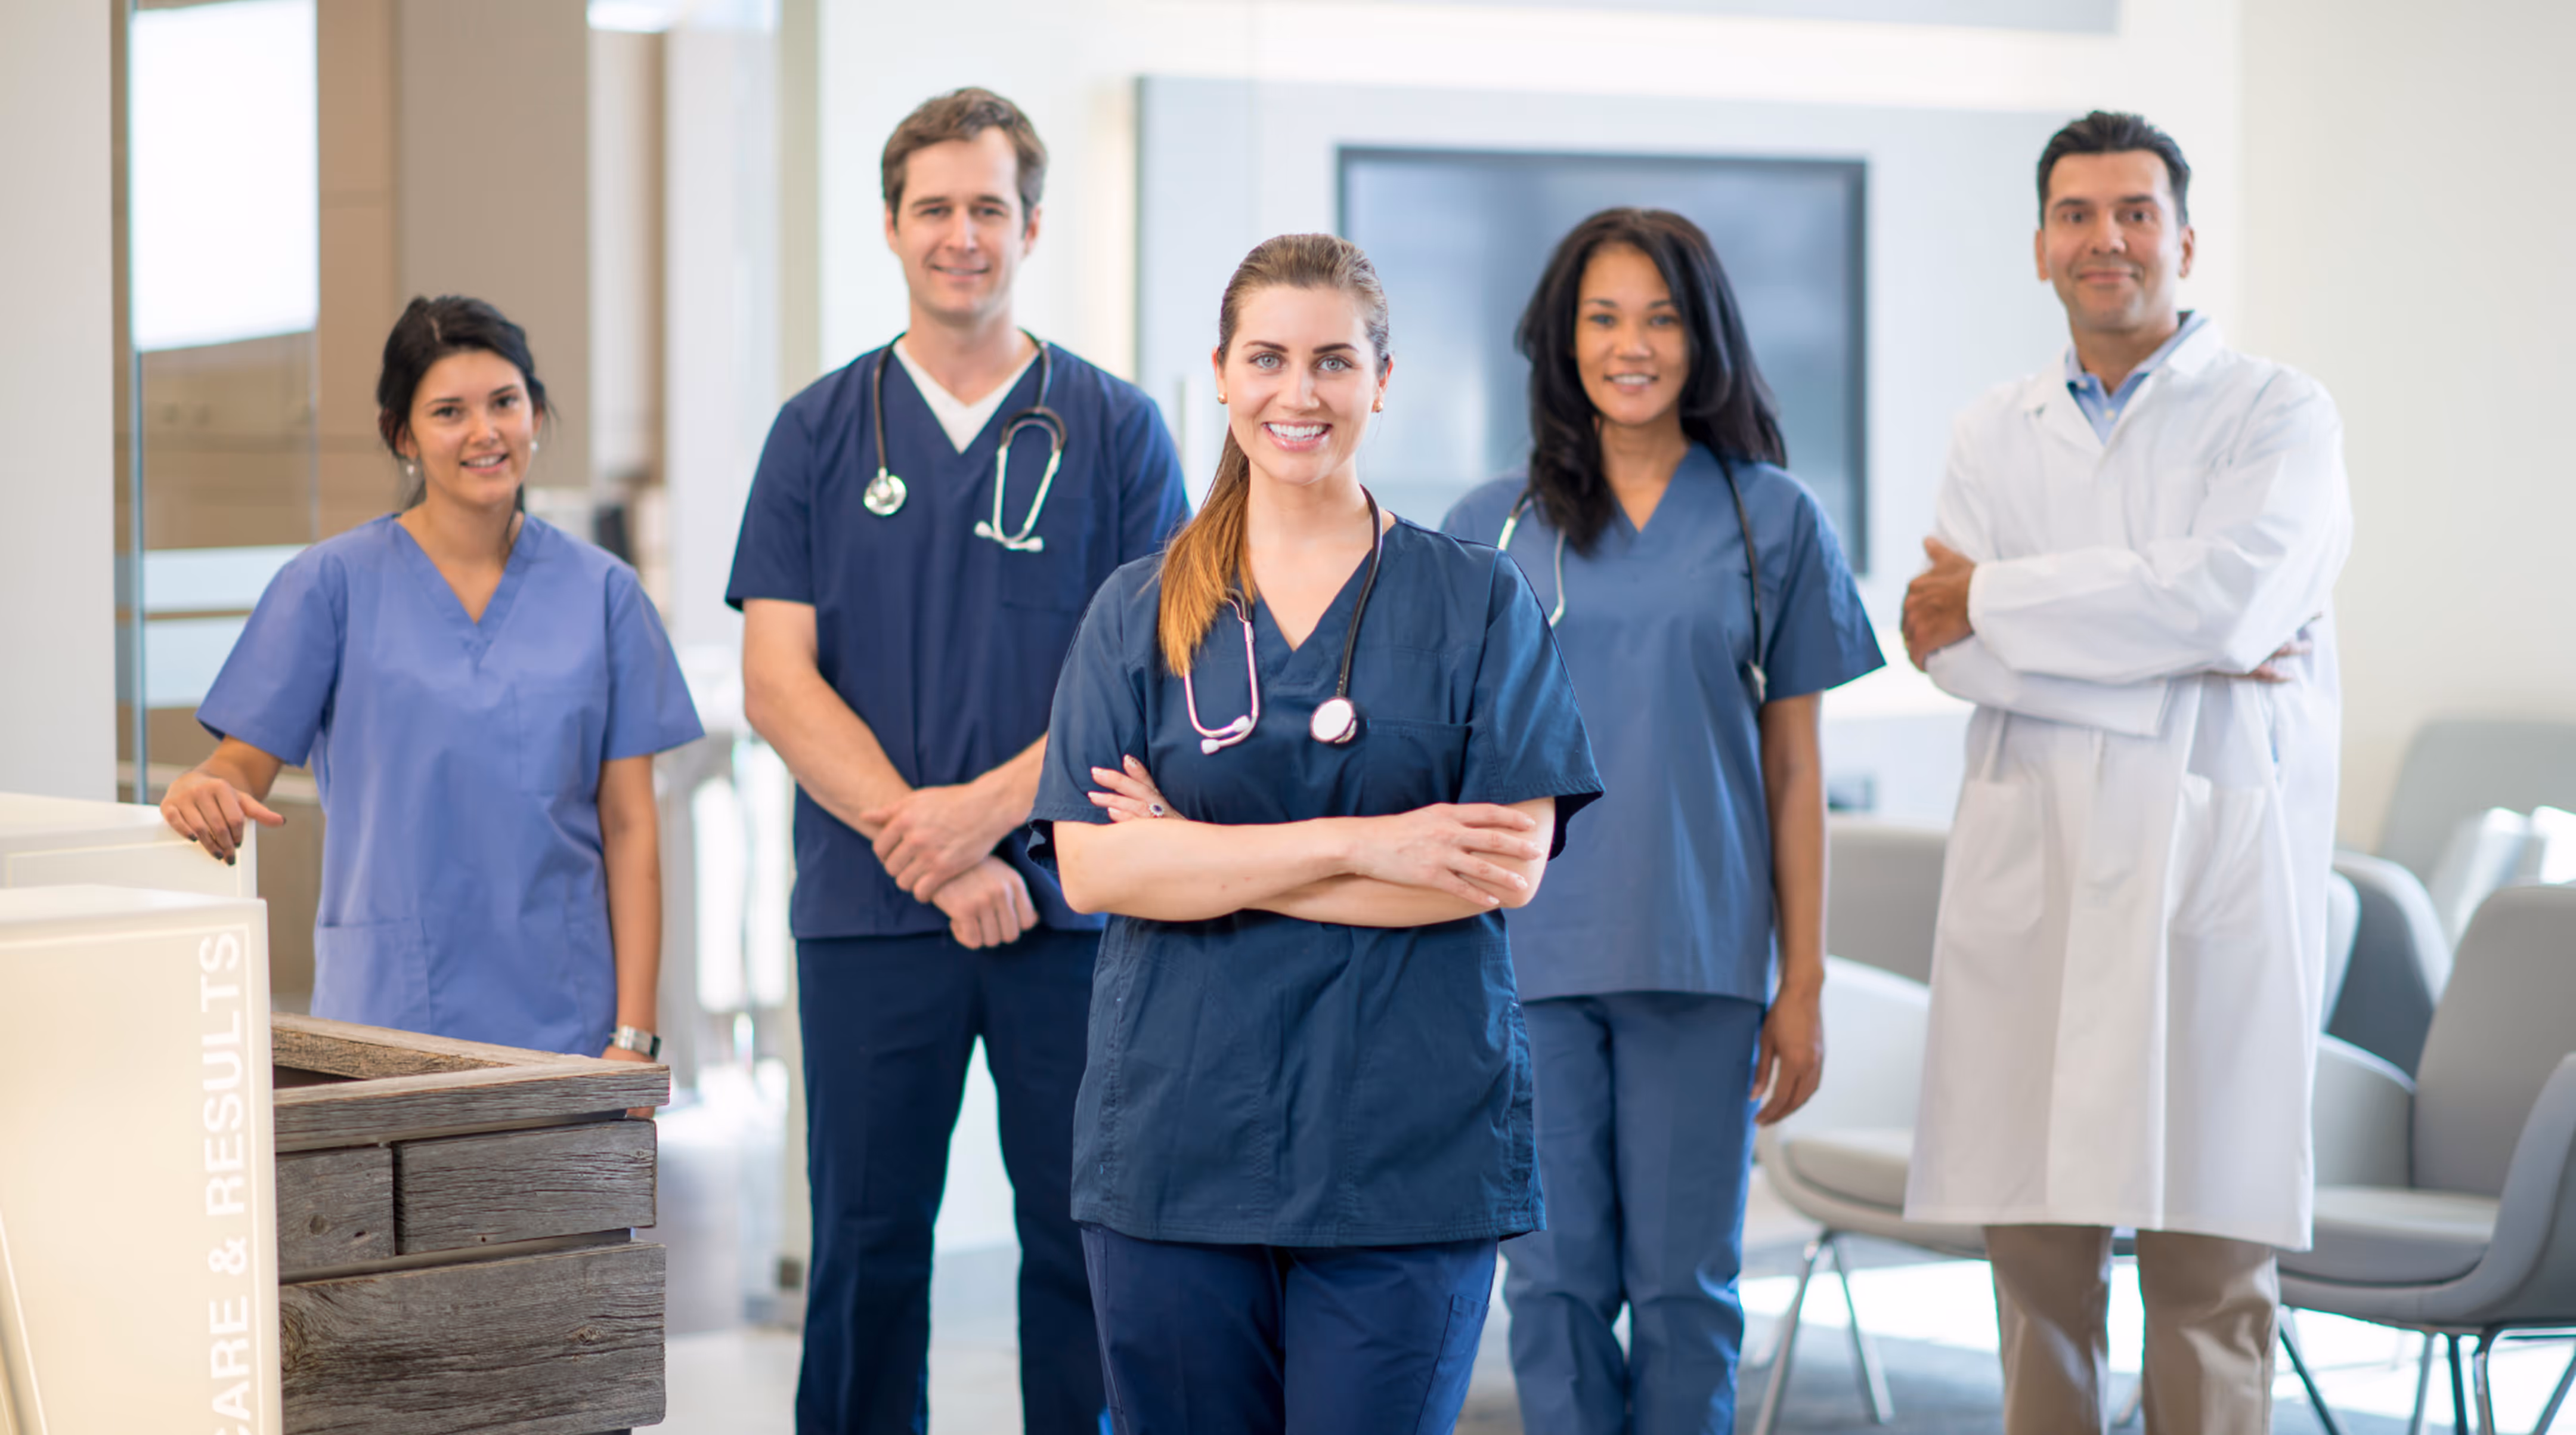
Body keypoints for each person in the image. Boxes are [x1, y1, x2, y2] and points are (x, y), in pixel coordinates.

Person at [1032, 232, 1602, 1435]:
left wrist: (1197, 855)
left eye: (1334, 361)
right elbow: (1096, 863)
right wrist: (1366, 845)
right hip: (1179, 1150)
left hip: (1406, 1153)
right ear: (1223, 377)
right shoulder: (1138, 610)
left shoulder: (1474, 599)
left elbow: (1500, 869)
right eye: (1270, 359)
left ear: (1381, 380)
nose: (1301, 394)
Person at [726, 88, 1190, 1435]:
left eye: (990, 207)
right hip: (873, 919)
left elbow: (1146, 679)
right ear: (891, 226)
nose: (962, 235)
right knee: (865, 1254)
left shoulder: (1116, 431)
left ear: (1032, 226)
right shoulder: (817, 433)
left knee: (1082, 1246)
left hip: (1073, 911)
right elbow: (776, 682)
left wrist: (986, 829)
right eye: (935, 207)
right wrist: (931, 857)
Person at [1899, 110, 2350, 1435]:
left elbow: (2232, 606)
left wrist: (2010, 603)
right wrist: (2169, 649)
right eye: (2080, 215)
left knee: (2213, 1289)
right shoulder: (1996, 429)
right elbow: (1948, 647)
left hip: (2208, 871)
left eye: (2137, 213)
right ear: (2041, 247)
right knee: (2039, 1286)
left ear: (2187, 240)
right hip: (2036, 882)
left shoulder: (2283, 414)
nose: (2109, 240)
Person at [1441, 208, 1883, 1435]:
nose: (1630, 345)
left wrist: (1804, 983)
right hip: (1526, 962)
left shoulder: (1770, 517)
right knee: (1553, 1283)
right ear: (1559, 339)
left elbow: (1796, 770)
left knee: (1688, 1291)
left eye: (1661, 316)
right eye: (1602, 317)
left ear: (1704, 338)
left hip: (1701, 955)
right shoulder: (1495, 525)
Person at [161, 295, 702, 1075]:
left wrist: (635, 1037)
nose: (484, 432)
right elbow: (238, 770)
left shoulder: (606, 593)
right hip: (387, 1016)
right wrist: (202, 787)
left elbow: (630, 828)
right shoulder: (329, 585)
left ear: (537, 415)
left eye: (505, 403)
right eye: (449, 410)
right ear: (403, 434)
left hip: (568, 1027)